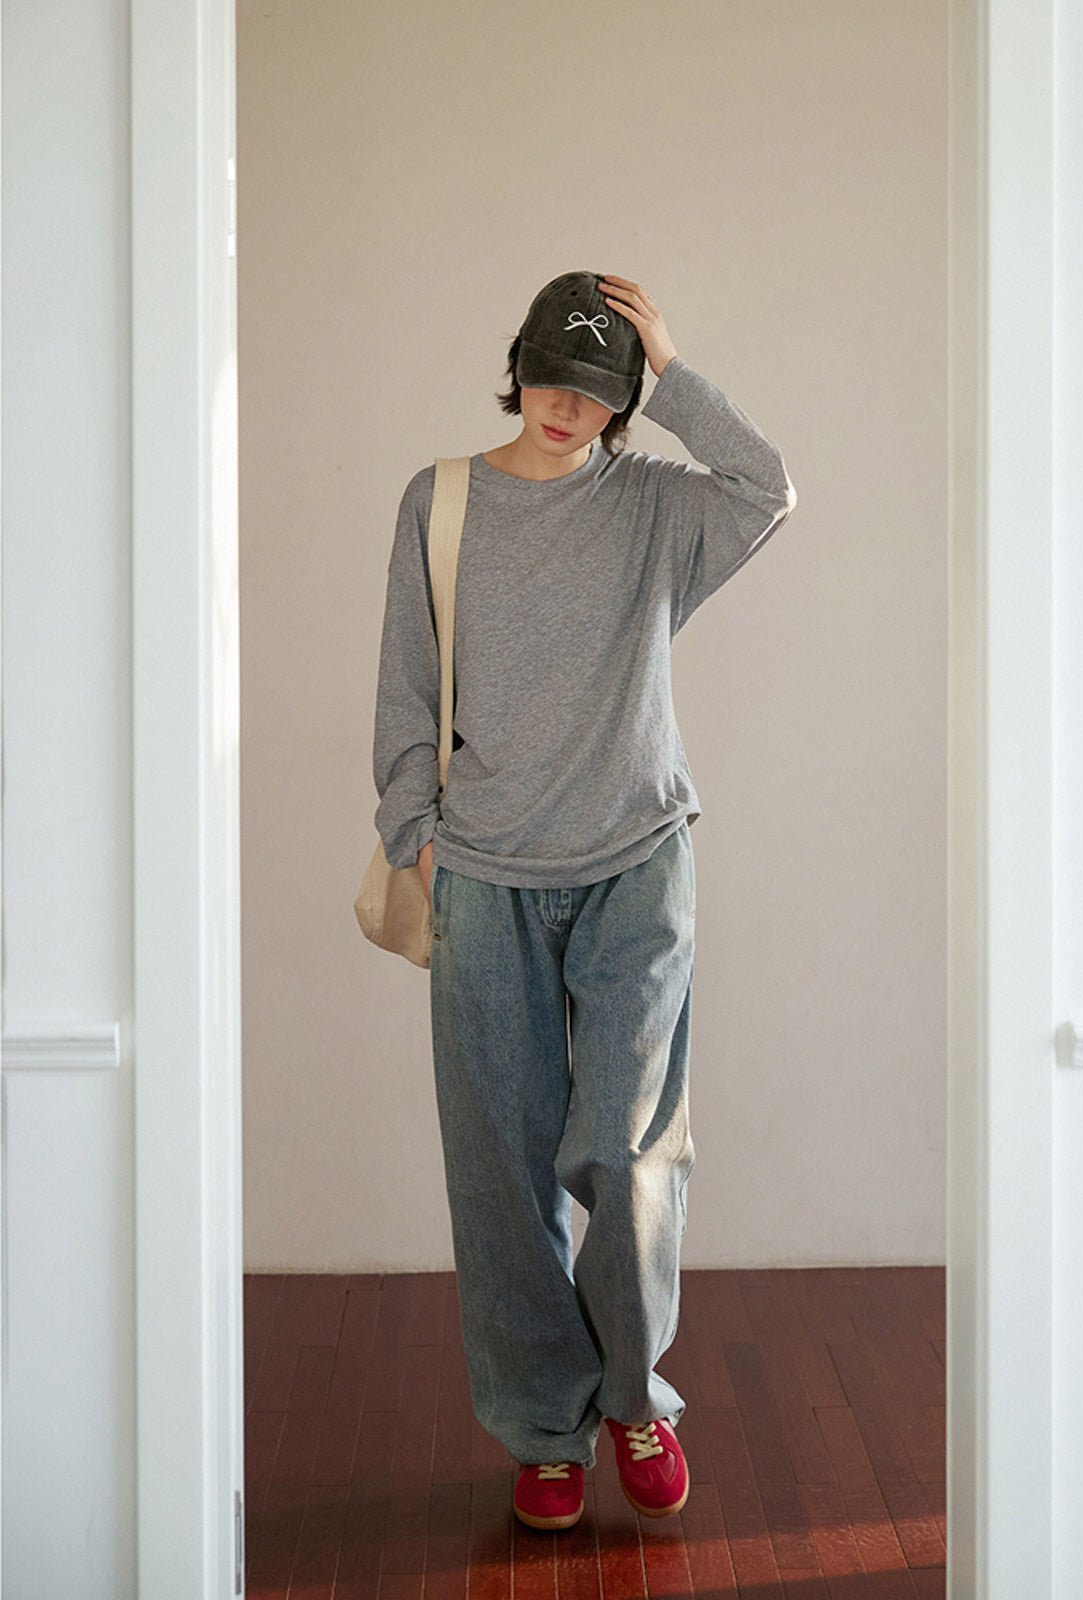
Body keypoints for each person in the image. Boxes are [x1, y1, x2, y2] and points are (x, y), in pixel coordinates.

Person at [373, 270, 797, 1531]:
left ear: (625, 399)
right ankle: (543, 1428)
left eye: (599, 388)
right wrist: (415, 837)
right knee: (501, 1174)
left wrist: (672, 370)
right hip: (485, 876)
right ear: (518, 366)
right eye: (554, 376)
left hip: (635, 865)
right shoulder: (441, 501)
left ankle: (631, 1397)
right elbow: (406, 686)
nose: (569, 405)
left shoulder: (656, 506)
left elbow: (766, 486)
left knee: (629, 1154)